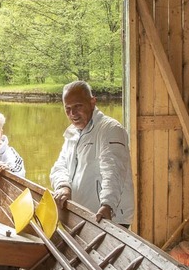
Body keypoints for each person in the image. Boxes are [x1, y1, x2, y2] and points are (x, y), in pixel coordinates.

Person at [50, 81, 134, 227]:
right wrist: (63, 186)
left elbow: (113, 171)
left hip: (107, 217)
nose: (72, 114)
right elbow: (60, 166)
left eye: (78, 106)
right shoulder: (72, 133)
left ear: (92, 102)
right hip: (81, 215)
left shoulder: (110, 129)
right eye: (68, 108)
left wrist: (107, 205)